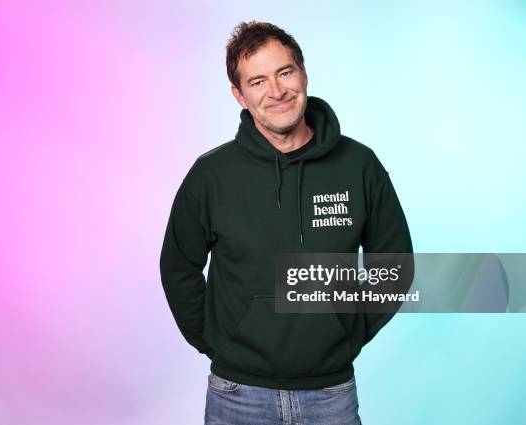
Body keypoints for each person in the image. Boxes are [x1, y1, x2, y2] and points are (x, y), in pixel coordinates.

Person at [160, 20, 412, 425]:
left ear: (303, 73)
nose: (276, 92)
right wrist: (216, 342)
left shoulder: (359, 166)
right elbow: (178, 266)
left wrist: (346, 333)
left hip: (331, 394)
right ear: (239, 95)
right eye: (257, 81)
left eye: (284, 72)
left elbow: (395, 266)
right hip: (237, 394)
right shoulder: (211, 175)